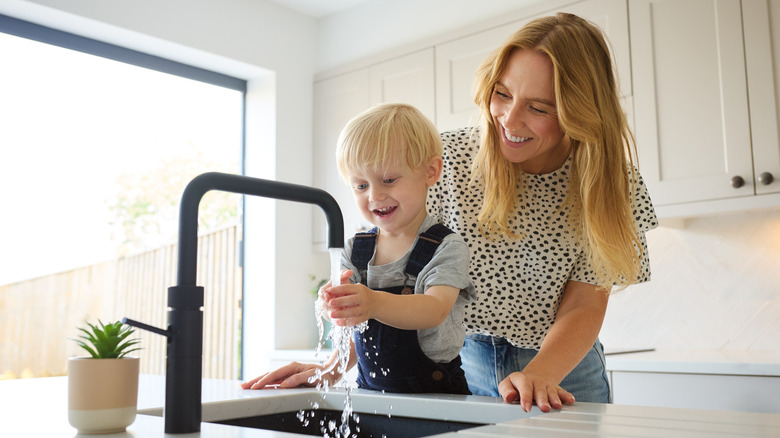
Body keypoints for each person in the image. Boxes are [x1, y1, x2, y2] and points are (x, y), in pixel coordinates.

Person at [426, 12, 657, 412]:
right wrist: (335, 363)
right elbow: (397, 276)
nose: (509, 121)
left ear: (580, 113)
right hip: (460, 361)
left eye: (539, 108)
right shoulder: (446, 162)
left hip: (565, 369)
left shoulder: (610, 181)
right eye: (502, 94)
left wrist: (543, 372)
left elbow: (585, 303)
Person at [242, 103, 476, 394]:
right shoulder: (356, 249)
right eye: (361, 185)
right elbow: (355, 330)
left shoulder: (446, 246)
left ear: (431, 171)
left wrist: (373, 303)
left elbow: (434, 309)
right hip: (370, 393)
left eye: (389, 180)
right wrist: (333, 348)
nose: (375, 195)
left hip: (439, 396)